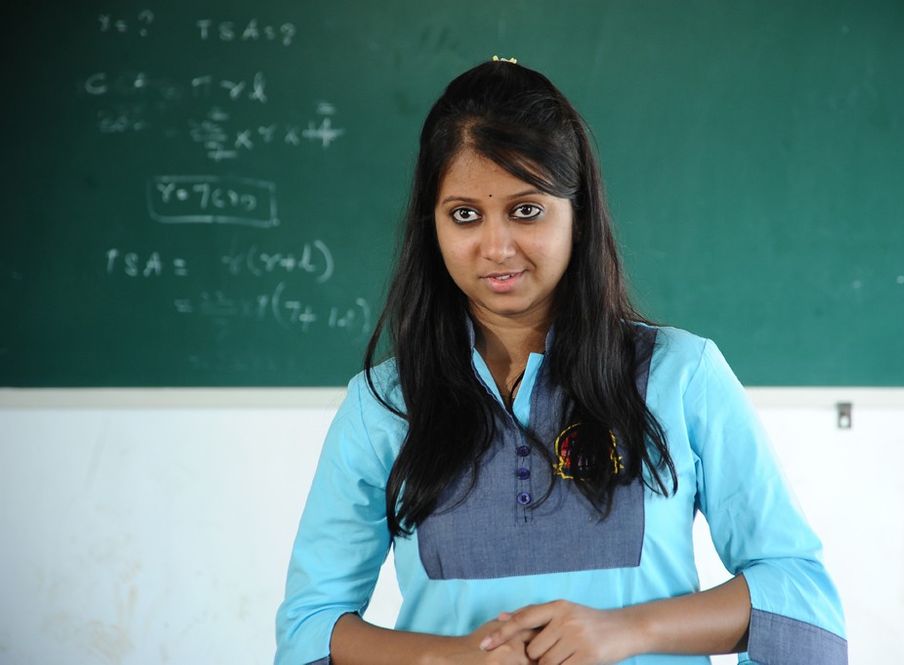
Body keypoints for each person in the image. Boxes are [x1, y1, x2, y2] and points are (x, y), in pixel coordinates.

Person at [275, 58, 847, 665]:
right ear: (432, 226)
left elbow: (797, 592)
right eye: (465, 215)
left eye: (526, 210)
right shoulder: (385, 405)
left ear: (578, 214)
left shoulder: (681, 375)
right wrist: (453, 658)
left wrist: (629, 630)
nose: (496, 247)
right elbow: (311, 625)